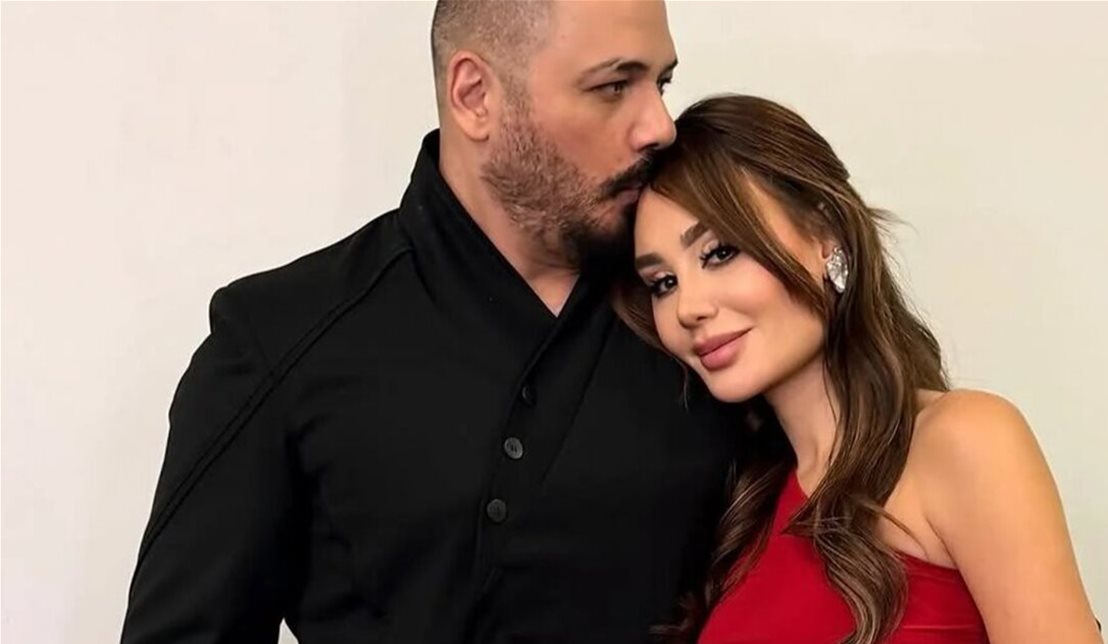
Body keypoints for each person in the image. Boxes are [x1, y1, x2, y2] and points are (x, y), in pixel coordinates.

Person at [120, 2, 740, 643]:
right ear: (474, 96)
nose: (660, 127)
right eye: (613, 86)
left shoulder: (714, 315)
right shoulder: (280, 339)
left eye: (661, 82)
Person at [622, 94, 1103, 644]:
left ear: (826, 235)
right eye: (663, 282)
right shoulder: (744, 512)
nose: (688, 307)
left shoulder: (964, 441)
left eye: (720, 252)